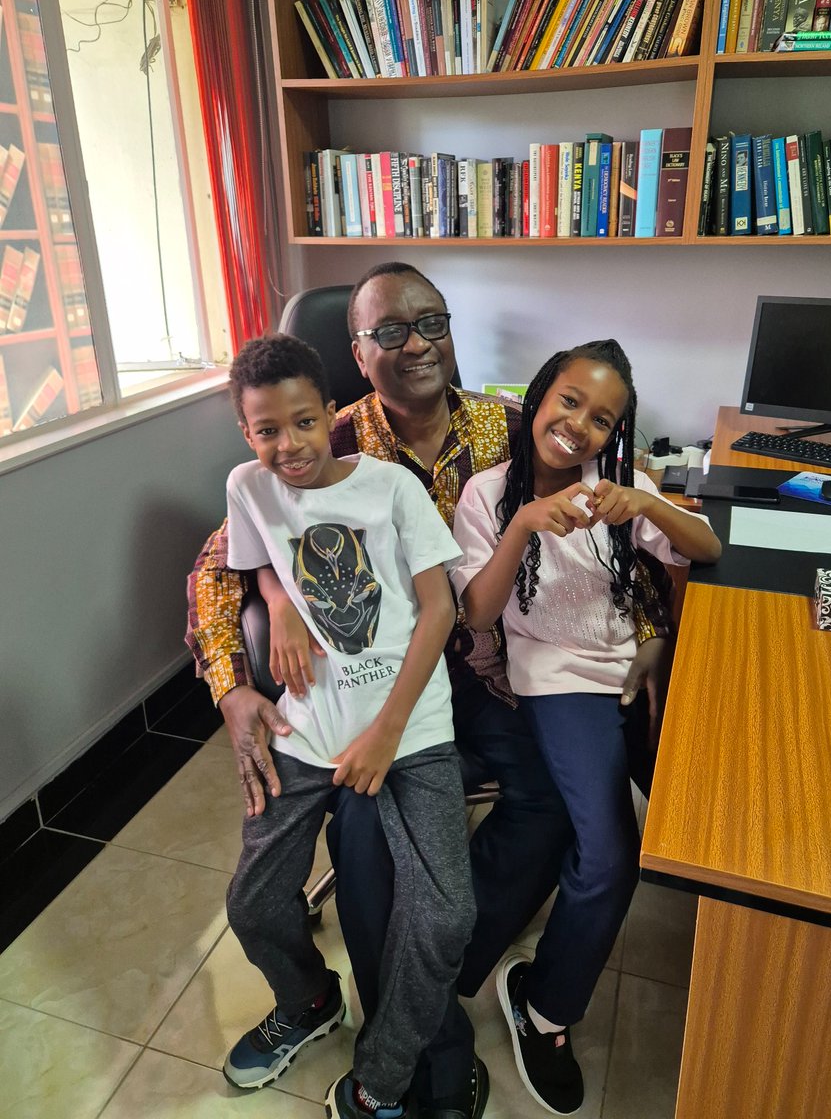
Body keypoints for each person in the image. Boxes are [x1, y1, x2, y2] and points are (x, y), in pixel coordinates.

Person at [185, 263, 675, 1117]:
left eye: (432, 323)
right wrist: (237, 681)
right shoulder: (320, 437)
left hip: (487, 679)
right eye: (390, 332)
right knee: (371, 845)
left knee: (555, 803)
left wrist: (653, 627)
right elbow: (216, 570)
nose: (416, 345)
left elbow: (611, 534)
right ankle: (411, 1046)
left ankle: (441, 974)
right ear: (356, 351)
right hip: (364, 692)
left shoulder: (511, 425)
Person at [451, 339, 721, 1115]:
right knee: (610, 858)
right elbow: (476, 612)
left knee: (699, 811)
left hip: (625, 672)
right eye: (569, 401)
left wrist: (651, 503)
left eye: (602, 419)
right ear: (538, 397)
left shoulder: (615, 487)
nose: (579, 426)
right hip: (558, 681)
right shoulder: (489, 493)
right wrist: (524, 526)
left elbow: (708, 546)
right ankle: (544, 1006)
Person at [222, 331, 475, 1119]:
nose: (288, 445)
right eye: (266, 430)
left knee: (444, 915)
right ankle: (309, 1001)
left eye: (303, 423)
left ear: (332, 414)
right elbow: (258, 553)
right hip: (307, 732)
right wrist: (277, 602)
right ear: (246, 432)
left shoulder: (392, 487)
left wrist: (389, 732)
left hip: (411, 726)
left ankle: (383, 1077)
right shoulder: (248, 486)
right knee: (253, 902)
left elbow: (442, 607)